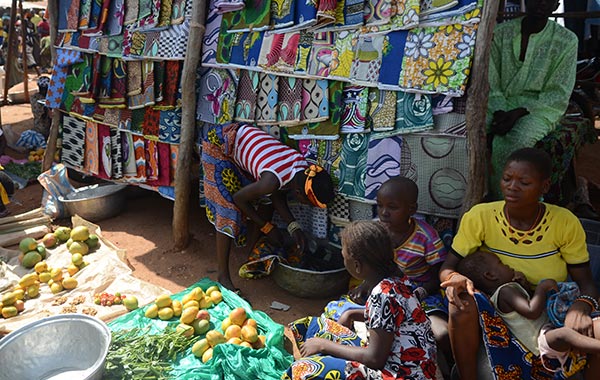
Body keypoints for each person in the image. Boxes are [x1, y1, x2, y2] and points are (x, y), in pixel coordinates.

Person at [440, 147, 600, 379]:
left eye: (524, 182)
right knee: (460, 301)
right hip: (497, 317)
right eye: (507, 179)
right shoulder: (480, 217)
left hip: (552, 312)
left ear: (544, 187)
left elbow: (586, 282)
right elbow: (448, 267)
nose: (512, 187)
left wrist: (581, 307)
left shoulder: (564, 222)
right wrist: (454, 278)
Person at [325, 176, 452, 376]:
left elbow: (438, 276)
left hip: (420, 297)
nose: (384, 212)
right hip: (388, 291)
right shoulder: (377, 230)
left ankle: (448, 369)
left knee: (441, 334)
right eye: (380, 205)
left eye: (392, 207)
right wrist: (365, 286)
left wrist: (420, 291)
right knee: (336, 311)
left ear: (411, 208)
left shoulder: (425, 236)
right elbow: (374, 271)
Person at [283, 220, 438, 379]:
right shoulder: (398, 278)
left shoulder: (382, 294)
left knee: (304, 368)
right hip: (406, 363)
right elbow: (390, 319)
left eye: (344, 257)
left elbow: (374, 359)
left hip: (398, 374)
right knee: (314, 326)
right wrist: (351, 314)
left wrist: (324, 345)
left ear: (357, 266)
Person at [201, 123, 335, 292]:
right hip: (219, 145)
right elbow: (239, 199)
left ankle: (250, 254)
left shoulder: (302, 168)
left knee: (266, 202)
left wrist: (294, 228)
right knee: (228, 210)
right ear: (299, 193)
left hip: (243, 146)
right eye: (307, 202)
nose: (304, 205)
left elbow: (275, 195)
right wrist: (267, 227)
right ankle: (223, 276)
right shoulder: (271, 181)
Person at [486, 0, 577, 200]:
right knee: (474, 130)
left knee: (514, 142)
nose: (541, 3)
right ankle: (477, 195)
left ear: (556, 5)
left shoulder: (567, 40)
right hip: (497, 101)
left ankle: (516, 204)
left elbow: (557, 92)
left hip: (542, 107)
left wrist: (519, 112)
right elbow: (491, 80)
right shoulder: (500, 33)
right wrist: (500, 110)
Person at [458, 250, 600, 374]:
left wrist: (524, 285)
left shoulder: (507, 292)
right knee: (565, 334)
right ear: (490, 275)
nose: (507, 265)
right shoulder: (505, 291)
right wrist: (542, 288)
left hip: (545, 334)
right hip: (540, 341)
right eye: (500, 263)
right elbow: (532, 311)